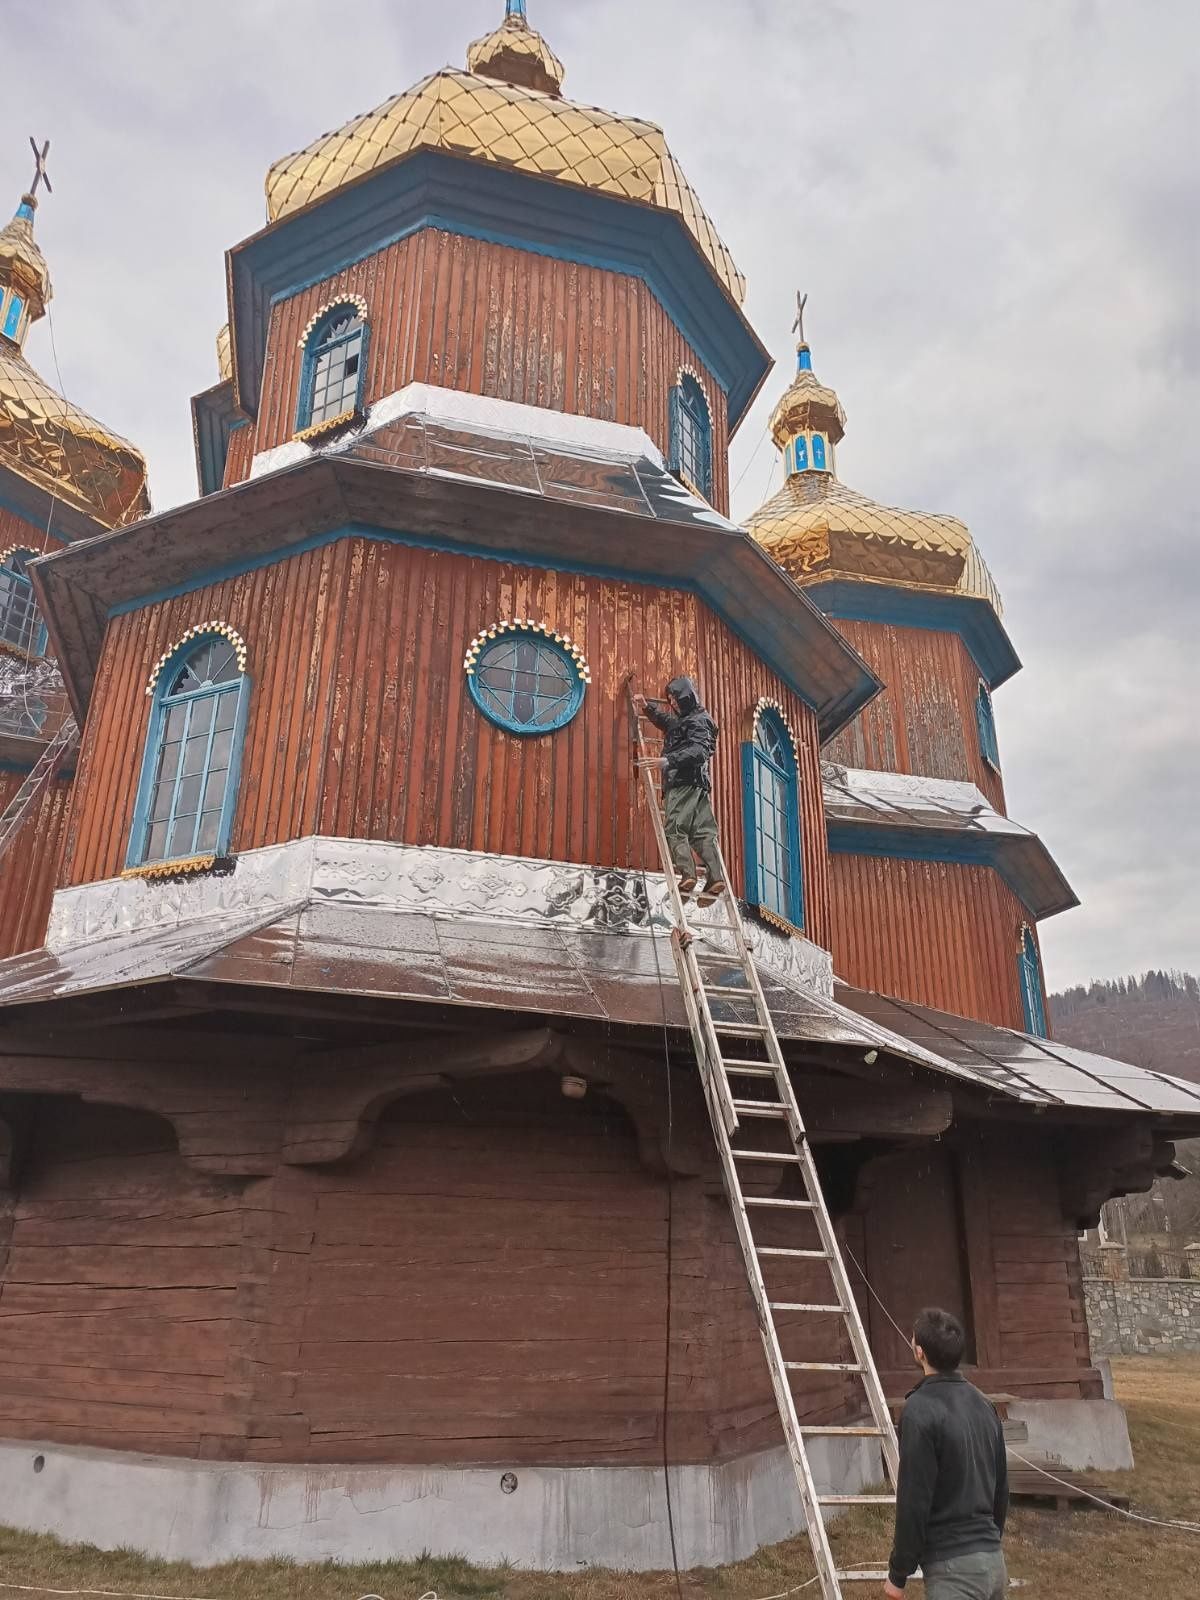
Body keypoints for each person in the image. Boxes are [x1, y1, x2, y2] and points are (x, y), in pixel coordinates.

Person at [885, 1307, 1009, 1600]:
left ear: (919, 1352)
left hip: (954, 1574)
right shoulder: (985, 1405)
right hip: (994, 1562)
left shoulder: (919, 1411)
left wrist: (897, 1574)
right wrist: (988, 1543)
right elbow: (1001, 1489)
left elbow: (914, 1499)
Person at [635, 676, 725, 904]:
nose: (673, 704)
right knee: (702, 831)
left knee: (675, 828)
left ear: (686, 696)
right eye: (671, 700)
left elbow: (699, 752)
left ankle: (688, 875)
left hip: (683, 782)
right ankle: (715, 879)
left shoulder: (698, 721)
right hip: (697, 785)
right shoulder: (687, 720)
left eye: (675, 698)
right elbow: (668, 722)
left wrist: (667, 761)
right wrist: (648, 708)